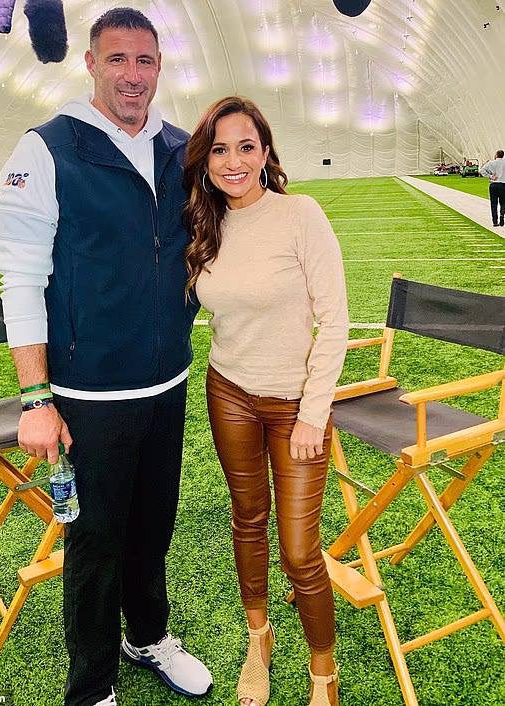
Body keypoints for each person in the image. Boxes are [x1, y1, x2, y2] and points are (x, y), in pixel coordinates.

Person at [0, 8, 212, 706]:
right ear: (90, 63)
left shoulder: (182, 147)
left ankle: (147, 636)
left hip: (168, 380)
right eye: (117, 59)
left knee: (154, 524)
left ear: (159, 68)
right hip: (88, 393)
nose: (132, 75)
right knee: (94, 543)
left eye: (145, 61)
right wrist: (36, 397)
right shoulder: (45, 148)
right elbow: (21, 279)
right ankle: (91, 687)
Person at [183, 96, 349, 706]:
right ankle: (260, 639)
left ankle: (323, 671)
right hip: (228, 391)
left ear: (266, 152)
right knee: (248, 519)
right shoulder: (204, 226)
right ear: (205, 161)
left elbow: (335, 320)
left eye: (245, 147)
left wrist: (312, 414)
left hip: (294, 406)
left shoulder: (300, 214)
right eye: (219, 150)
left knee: (301, 554)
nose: (233, 162)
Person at [480, 149, 505, 227]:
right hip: (503, 185)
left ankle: (495, 221)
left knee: (494, 203)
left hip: (494, 185)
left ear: (496, 155)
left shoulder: (491, 163)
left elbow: (482, 171)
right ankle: (502, 213)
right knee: (503, 202)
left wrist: (490, 176)